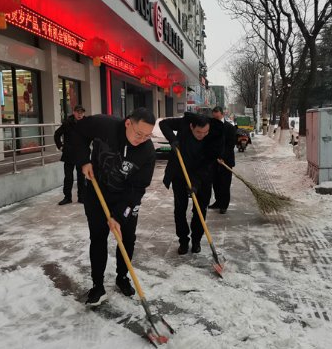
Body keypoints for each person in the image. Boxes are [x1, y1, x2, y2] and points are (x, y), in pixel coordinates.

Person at [73, 108, 156, 306]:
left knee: (127, 238)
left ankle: (122, 276)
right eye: (139, 134)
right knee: (98, 237)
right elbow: (77, 132)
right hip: (96, 191)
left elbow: (138, 189)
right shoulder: (103, 125)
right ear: (128, 123)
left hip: (126, 197)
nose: (142, 139)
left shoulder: (147, 152)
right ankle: (98, 285)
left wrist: (119, 215)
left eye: (147, 135)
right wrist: (84, 161)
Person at [160, 113, 220, 255]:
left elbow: (207, 165)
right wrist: (173, 140)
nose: (202, 135)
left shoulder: (213, 138)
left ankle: (196, 240)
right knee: (180, 210)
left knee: (200, 210)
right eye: (198, 132)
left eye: (205, 132)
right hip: (180, 174)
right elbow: (164, 124)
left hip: (202, 177)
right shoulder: (184, 123)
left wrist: (195, 184)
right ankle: (183, 240)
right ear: (191, 126)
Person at [54, 105, 86, 205]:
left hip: (81, 153)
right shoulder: (67, 123)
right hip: (69, 154)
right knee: (68, 177)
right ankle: (67, 197)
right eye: (78, 112)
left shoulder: (87, 123)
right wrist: (60, 146)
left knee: (81, 176)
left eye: (81, 112)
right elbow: (57, 134)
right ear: (74, 112)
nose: (80, 114)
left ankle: (81, 197)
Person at [208, 106, 237, 214]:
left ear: (222, 114)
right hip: (214, 161)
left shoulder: (229, 127)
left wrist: (222, 157)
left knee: (225, 184)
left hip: (226, 161)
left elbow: (231, 144)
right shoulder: (210, 126)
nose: (215, 118)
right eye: (214, 117)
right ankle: (218, 202)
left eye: (217, 116)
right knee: (215, 183)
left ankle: (224, 205)